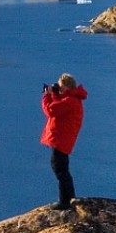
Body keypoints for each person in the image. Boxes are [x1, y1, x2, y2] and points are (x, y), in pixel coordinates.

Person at [40, 72, 87, 210]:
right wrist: (54, 93)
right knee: (61, 168)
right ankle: (69, 198)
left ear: (66, 87)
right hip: (63, 138)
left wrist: (47, 95)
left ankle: (65, 201)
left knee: (60, 169)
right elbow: (59, 104)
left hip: (61, 139)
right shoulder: (71, 98)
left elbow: (51, 110)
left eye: (60, 88)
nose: (59, 90)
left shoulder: (70, 101)